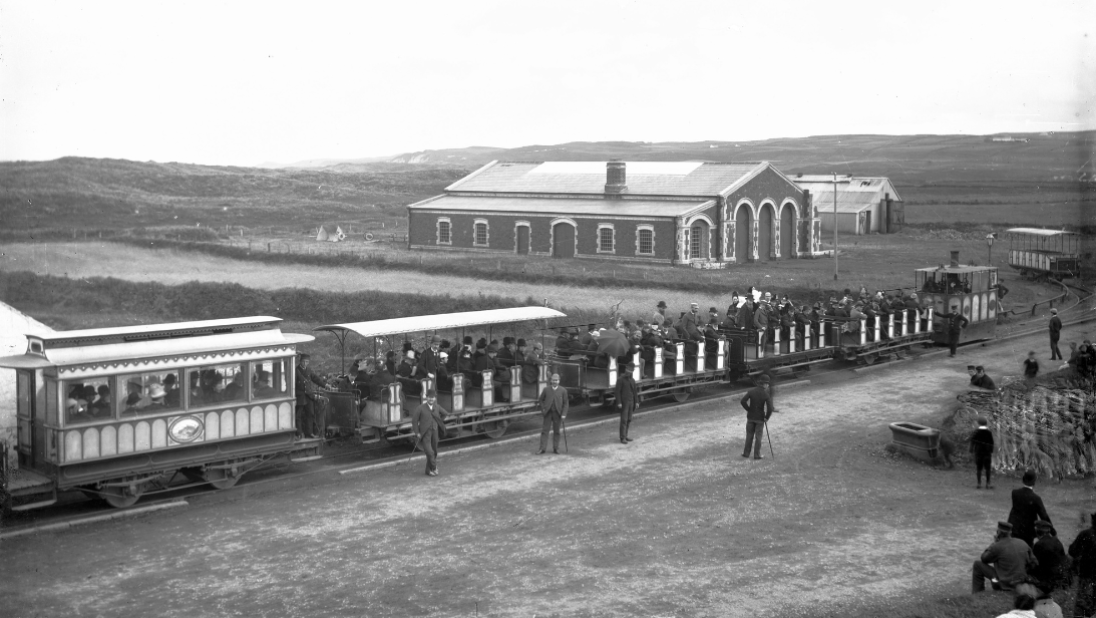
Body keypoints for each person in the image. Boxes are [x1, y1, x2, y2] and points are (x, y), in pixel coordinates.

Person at [972, 521, 1039, 593]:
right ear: (1010, 532)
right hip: (1021, 581)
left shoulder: (997, 546)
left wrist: (994, 543)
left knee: (977, 564)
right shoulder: (1022, 542)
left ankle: (977, 593)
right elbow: (1034, 563)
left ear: (998, 532)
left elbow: (984, 558)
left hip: (1006, 584)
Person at [1008, 469, 1052, 547]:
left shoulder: (1014, 493)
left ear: (1023, 480)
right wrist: (1053, 532)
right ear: (1034, 482)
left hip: (1015, 529)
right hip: (1028, 532)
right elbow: (1044, 516)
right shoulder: (1036, 498)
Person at [411, 391, 449, 477]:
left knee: (434, 452)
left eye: (433, 397)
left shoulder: (437, 407)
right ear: (426, 397)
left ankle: (428, 470)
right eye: (429, 397)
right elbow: (414, 421)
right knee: (430, 452)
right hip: (424, 434)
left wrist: (439, 421)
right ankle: (434, 467)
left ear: (435, 398)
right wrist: (417, 432)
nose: (431, 399)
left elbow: (445, 413)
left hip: (435, 432)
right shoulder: (420, 408)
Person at [1068, 510, 1096, 618]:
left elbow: (1072, 551)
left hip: (1087, 575)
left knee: (1082, 604)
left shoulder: (1085, 534)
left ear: (1093, 521)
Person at [739, 374, 774, 460]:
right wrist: (767, 417)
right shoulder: (765, 394)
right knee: (758, 437)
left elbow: (743, 401)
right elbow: (770, 408)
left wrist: (749, 409)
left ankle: (746, 453)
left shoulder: (751, 391)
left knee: (749, 436)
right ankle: (757, 455)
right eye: (767, 384)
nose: (768, 385)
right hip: (760, 418)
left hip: (750, 417)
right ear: (764, 384)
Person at [1030, 520, 1069, 593]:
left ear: (1037, 532)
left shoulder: (1039, 544)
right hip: (1062, 576)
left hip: (1049, 579)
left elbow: (1035, 564)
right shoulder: (1056, 540)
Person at [295, 353, 327, 439]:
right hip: (300, 396)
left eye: (307, 362)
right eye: (304, 361)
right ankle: (299, 433)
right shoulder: (296, 370)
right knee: (298, 415)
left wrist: (325, 385)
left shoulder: (308, 370)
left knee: (311, 413)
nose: (305, 363)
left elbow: (315, 379)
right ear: (300, 361)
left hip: (309, 396)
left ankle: (309, 433)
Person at [537, 373, 568, 454]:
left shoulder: (563, 390)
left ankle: (556, 448)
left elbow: (566, 403)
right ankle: (542, 449)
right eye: (553, 380)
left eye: (556, 380)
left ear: (559, 381)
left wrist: (564, 414)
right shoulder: (546, 389)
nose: (555, 382)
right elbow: (541, 400)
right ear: (551, 381)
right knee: (544, 431)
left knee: (557, 431)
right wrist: (543, 409)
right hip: (547, 413)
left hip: (558, 414)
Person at [614, 362, 638, 445]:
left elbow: (635, 392)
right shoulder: (620, 379)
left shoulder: (632, 380)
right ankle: (622, 437)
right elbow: (617, 392)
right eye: (628, 370)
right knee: (624, 420)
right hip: (624, 403)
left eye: (630, 370)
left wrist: (637, 402)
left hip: (631, 402)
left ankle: (626, 435)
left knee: (629, 419)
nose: (629, 372)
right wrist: (619, 402)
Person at [970, 417, 995, 489]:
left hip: (978, 452)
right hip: (987, 452)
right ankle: (988, 483)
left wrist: (971, 450)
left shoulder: (976, 432)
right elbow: (991, 443)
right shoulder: (989, 432)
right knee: (988, 468)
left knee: (979, 468)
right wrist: (991, 450)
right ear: (986, 423)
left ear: (978, 423)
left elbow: (972, 441)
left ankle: (979, 483)